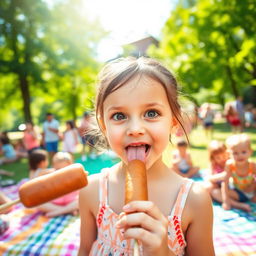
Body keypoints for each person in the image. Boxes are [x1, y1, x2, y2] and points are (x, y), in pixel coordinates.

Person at [78, 57, 214, 255]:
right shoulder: (91, 191)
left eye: (151, 113)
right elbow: (84, 250)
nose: (135, 129)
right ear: (103, 125)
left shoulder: (194, 201)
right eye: (119, 116)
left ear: (174, 121)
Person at [36, 152, 80, 218]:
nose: (62, 172)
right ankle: (67, 211)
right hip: (55, 203)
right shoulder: (51, 175)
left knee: (81, 200)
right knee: (38, 203)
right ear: (54, 168)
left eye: (65, 169)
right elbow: (39, 175)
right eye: (58, 169)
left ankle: (59, 212)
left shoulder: (74, 175)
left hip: (71, 202)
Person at [221, 134, 256, 212]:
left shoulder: (252, 165)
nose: (240, 155)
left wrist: (254, 192)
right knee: (217, 192)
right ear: (229, 154)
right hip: (237, 193)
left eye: (243, 152)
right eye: (235, 153)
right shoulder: (230, 165)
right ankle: (239, 205)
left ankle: (236, 203)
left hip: (251, 192)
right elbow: (225, 182)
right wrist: (225, 200)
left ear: (250, 152)